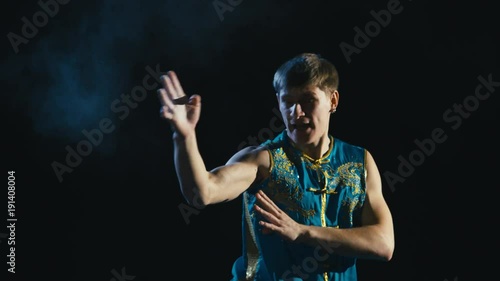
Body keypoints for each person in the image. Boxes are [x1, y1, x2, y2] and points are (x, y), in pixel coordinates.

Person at [157, 53, 395, 281]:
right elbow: (203, 192)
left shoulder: (358, 162)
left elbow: (384, 244)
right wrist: (184, 137)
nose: (296, 112)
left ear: (332, 100)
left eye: (307, 101)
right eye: (288, 102)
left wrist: (303, 232)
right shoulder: (263, 160)